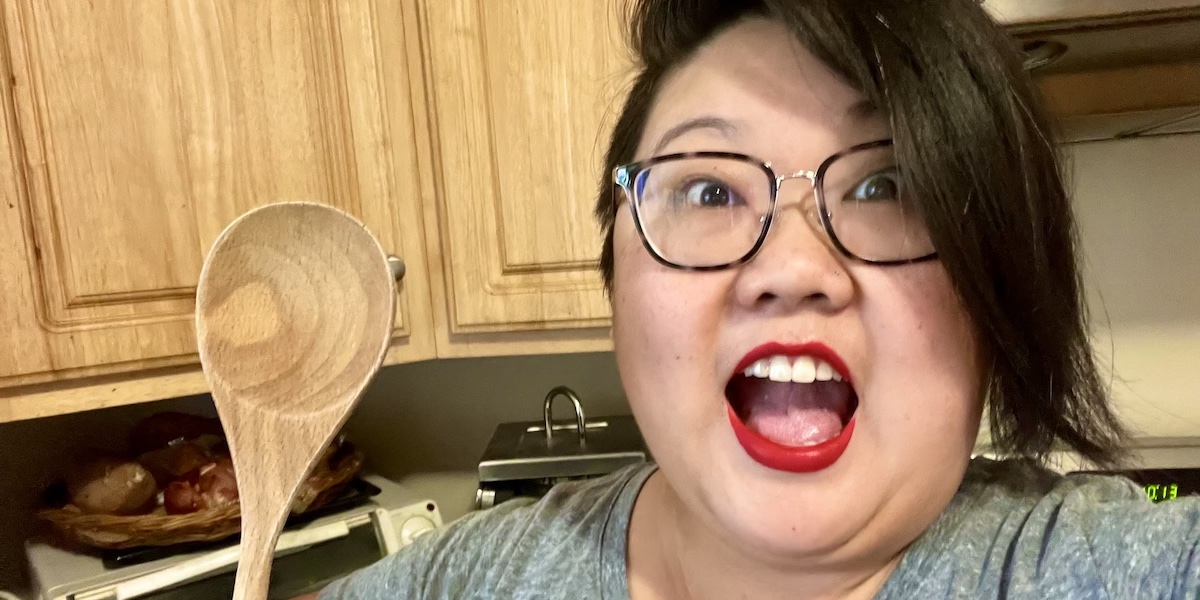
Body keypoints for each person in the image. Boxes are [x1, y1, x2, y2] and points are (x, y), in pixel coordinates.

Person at [306, 0, 1200, 598]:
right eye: (708, 191)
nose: (792, 266)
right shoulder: (468, 580)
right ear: (615, 273)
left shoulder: (1102, 568)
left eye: (889, 184)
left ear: (999, 290)